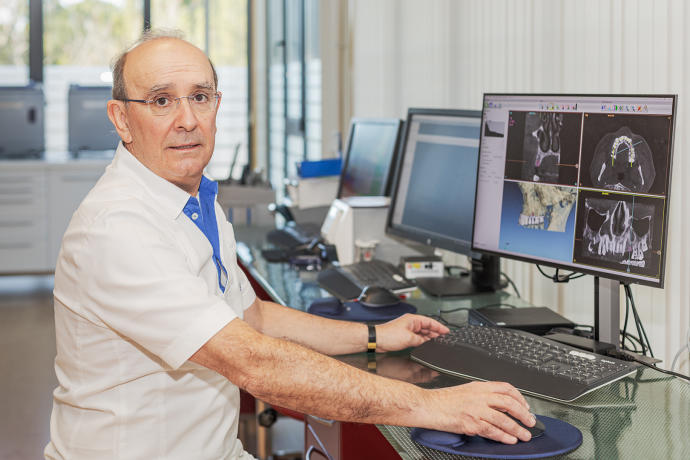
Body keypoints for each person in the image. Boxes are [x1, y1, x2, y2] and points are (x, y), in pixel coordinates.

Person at [45, 30, 535, 460]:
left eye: (200, 96)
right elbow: (252, 361)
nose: (187, 120)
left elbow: (250, 315)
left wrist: (374, 336)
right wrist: (436, 406)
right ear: (122, 119)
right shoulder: (117, 228)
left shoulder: (193, 195)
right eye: (160, 101)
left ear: (218, 104)